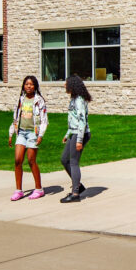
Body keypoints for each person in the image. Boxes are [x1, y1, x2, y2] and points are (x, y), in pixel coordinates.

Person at [7, 75, 48, 201]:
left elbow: (44, 120)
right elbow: (15, 118)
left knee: (31, 160)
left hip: (33, 133)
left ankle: (39, 189)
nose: (29, 86)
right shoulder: (21, 99)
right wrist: (11, 133)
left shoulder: (39, 100)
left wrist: (40, 135)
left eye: (31, 84)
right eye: (26, 84)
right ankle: (18, 190)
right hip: (21, 133)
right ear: (23, 86)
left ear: (35, 86)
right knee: (18, 160)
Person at [59, 73, 92, 203]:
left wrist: (79, 140)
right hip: (74, 133)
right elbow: (73, 120)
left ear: (72, 85)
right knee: (64, 160)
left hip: (81, 134)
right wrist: (67, 135)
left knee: (73, 162)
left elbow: (82, 121)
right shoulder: (74, 98)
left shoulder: (79, 100)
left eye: (66, 83)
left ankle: (75, 194)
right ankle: (78, 185)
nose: (64, 84)